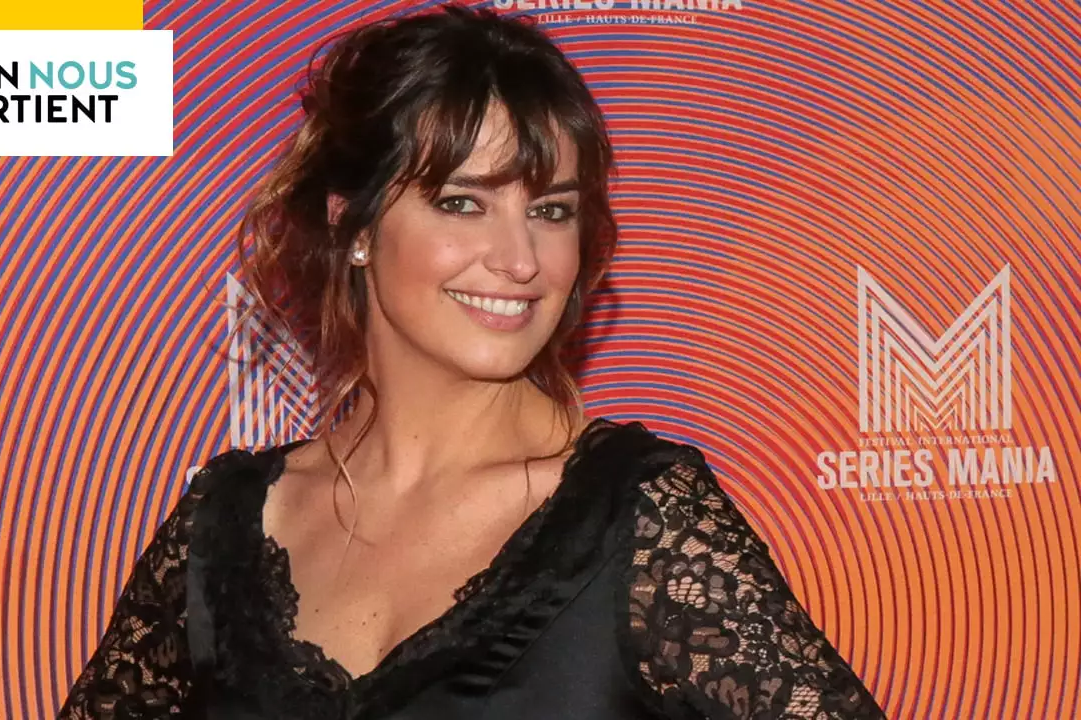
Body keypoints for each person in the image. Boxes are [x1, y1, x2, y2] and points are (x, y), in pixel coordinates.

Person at [57, 4, 887, 718]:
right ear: (353, 226)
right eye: (463, 202)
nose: (520, 260)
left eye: (551, 211)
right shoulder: (224, 527)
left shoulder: (635, 520)